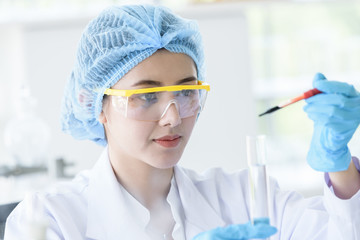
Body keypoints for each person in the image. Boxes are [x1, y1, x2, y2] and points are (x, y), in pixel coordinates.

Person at [4, 4, 360, 240]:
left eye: (187, 93)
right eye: (146, 96)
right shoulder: (47, 219)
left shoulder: (245, 197)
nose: (173, 117)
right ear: (96, 104)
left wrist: (338, 161)